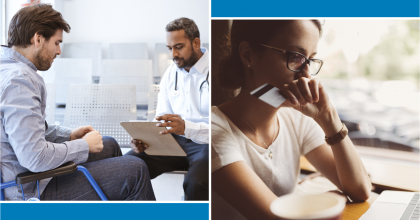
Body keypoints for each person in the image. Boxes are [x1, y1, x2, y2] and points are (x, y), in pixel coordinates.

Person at [211, 20, 372, 219]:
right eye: (295, 57)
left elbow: (360, 190)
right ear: (248, 55)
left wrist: (327, 116)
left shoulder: (295, 119)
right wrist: (331, 198)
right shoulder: (212, 132)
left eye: (310, 60)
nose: (306, 75)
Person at [0, 4, 155, 201]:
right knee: (136, 170)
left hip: (31, 177)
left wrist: (70, 135)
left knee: (109, 144)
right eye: (56, 43)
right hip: (30, 189)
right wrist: (83, 145)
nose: (58, 51)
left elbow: (24, 132)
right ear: (38, 39)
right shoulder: (19, 81)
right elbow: (35, 158)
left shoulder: (8, 68)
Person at [127, 17, 209, 201]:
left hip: (208, 143)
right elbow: (161, 119)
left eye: (179, 47)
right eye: (170, 48)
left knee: (197, 184)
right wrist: (146, 138)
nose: (173, 54)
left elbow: (225, 130)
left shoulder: (218, 72)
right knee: (127, 166)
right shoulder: (171, 72)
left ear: (196, 43)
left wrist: (186, 128)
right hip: (174, 141)